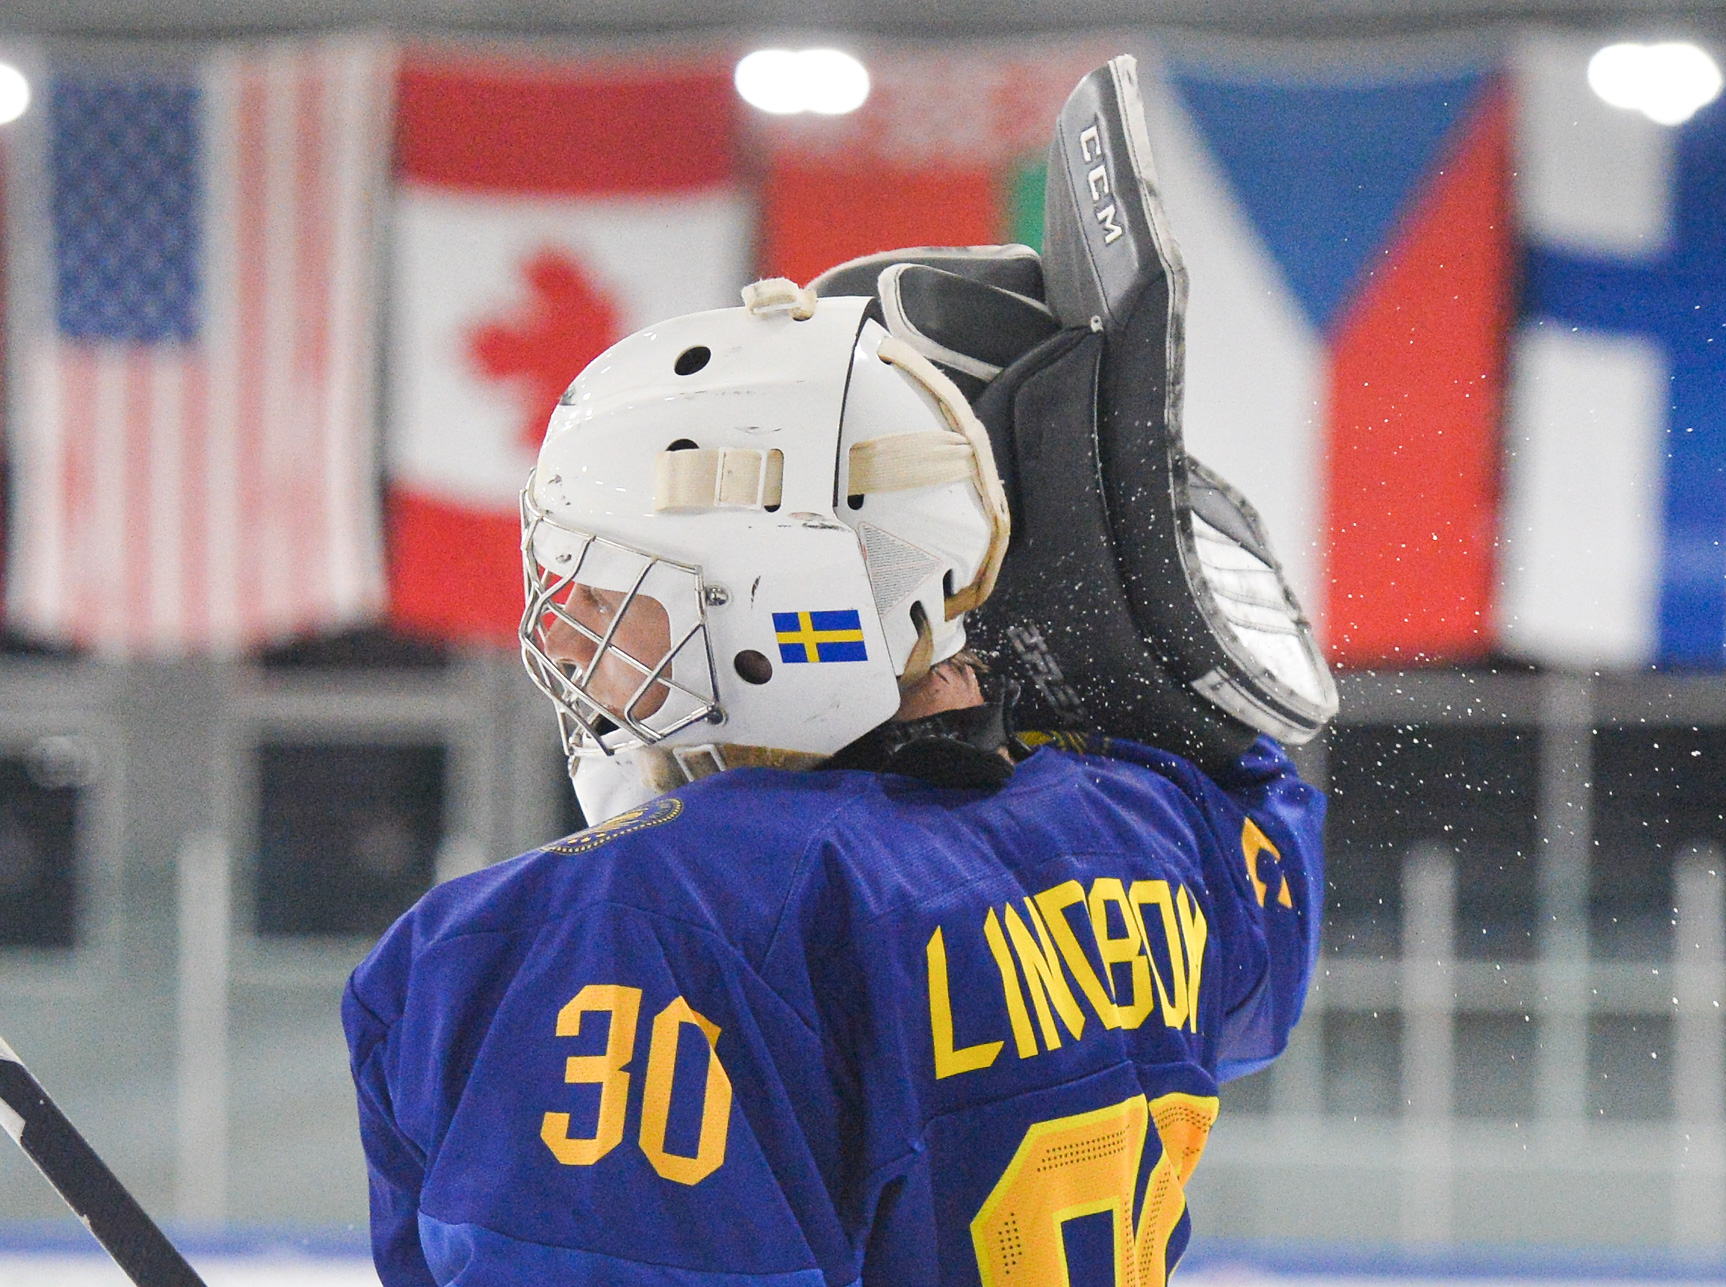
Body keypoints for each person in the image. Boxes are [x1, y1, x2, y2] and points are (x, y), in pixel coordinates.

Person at [346, 57, 1331, 1287]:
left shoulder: (640, 924)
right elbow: (1259, 886)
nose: (563, 642)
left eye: (607, 593)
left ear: (776, 593)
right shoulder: (1147, 829)